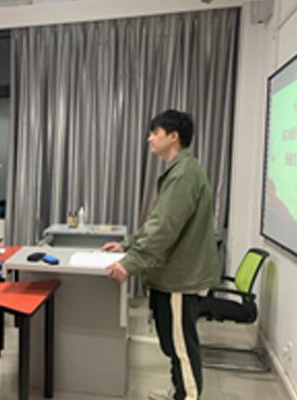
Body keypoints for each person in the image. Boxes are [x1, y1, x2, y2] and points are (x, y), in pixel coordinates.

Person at [102, 110, 220, 400]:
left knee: (181, 345)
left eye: (155, 133)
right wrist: (128, 244)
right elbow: (158, 221)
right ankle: (178, 391)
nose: (149, 138)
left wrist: (130, 263)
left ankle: (188, 396)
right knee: (172, 342)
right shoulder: (180, 170)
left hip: (181, 276)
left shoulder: (183, 174)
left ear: (173, 136)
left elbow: (164, 228)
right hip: (173, 273)